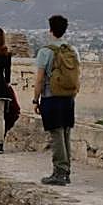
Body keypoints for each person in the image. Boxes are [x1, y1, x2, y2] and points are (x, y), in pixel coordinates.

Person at [33, 14, 81, 185]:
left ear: (50, 30)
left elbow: (39, 79)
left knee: (56, 134)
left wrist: (35, 99)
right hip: (68, 97)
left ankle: (59, 172)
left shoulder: (45, 51)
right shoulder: (72, 50)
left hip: (51, 97)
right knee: (66, 133)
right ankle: (66, 171)